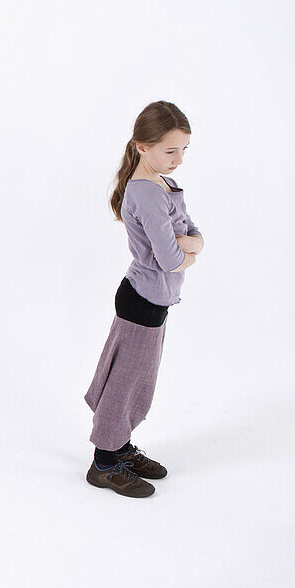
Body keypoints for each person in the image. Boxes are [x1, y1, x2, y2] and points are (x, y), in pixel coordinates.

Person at [84, 101, 203, 498]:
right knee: (126, 384)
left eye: (184, 149)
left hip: (153, 300)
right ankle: (104, 463)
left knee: (137, 382)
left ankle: (119, 447)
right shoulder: (147, 193)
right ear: (142, 147)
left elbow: (192, 232)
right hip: (143, 300)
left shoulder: (162, 184)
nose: (179, 159)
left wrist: (190, 245)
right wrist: (191, 251)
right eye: (171, 150)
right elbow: (171, 259)